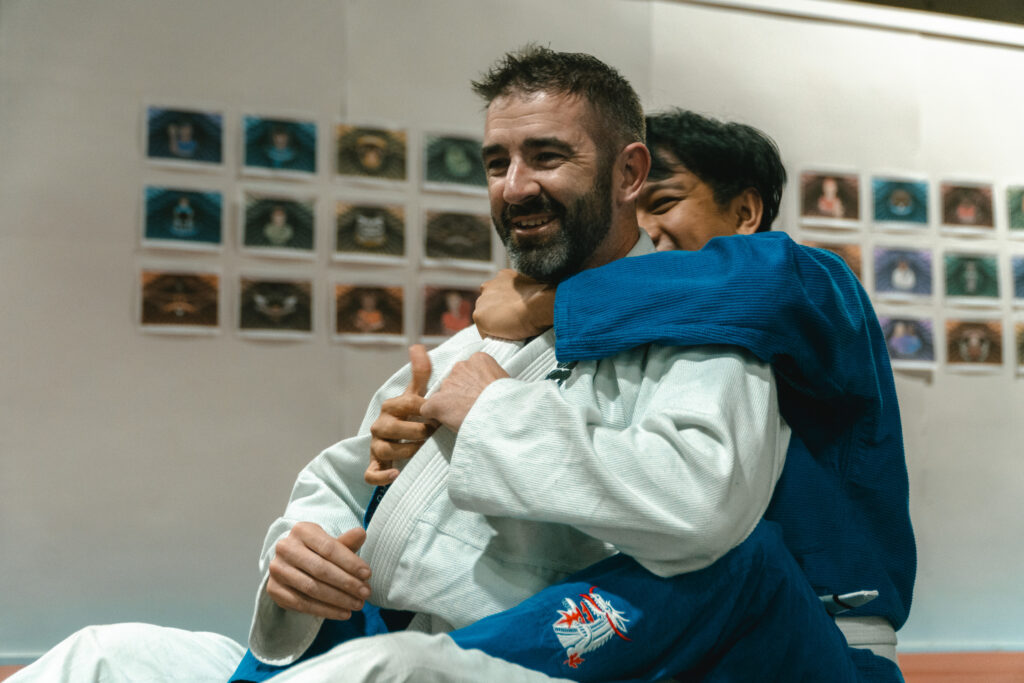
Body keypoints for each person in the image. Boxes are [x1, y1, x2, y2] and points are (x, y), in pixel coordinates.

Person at [12, 48, 791, 683]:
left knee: (387, 671)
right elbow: (341, 483)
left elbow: (707, 502)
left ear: (628, 173)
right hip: (366, 642)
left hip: (544, 664)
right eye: (496, 162)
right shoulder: (473, 341)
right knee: (97, 656)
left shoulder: (701, 337)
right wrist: (304, 552)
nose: (515, 187)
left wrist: (495, 414)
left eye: (546, 156)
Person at [394, 109, 913, 680]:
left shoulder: (814, 287)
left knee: (740, 555)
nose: (644, 230)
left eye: (662, 203)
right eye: (630, 209)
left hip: (815, 628)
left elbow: (772, 278)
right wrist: (419, 454)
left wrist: (549, 303)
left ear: (745, 212)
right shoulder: (632, 324)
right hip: (690, 620)